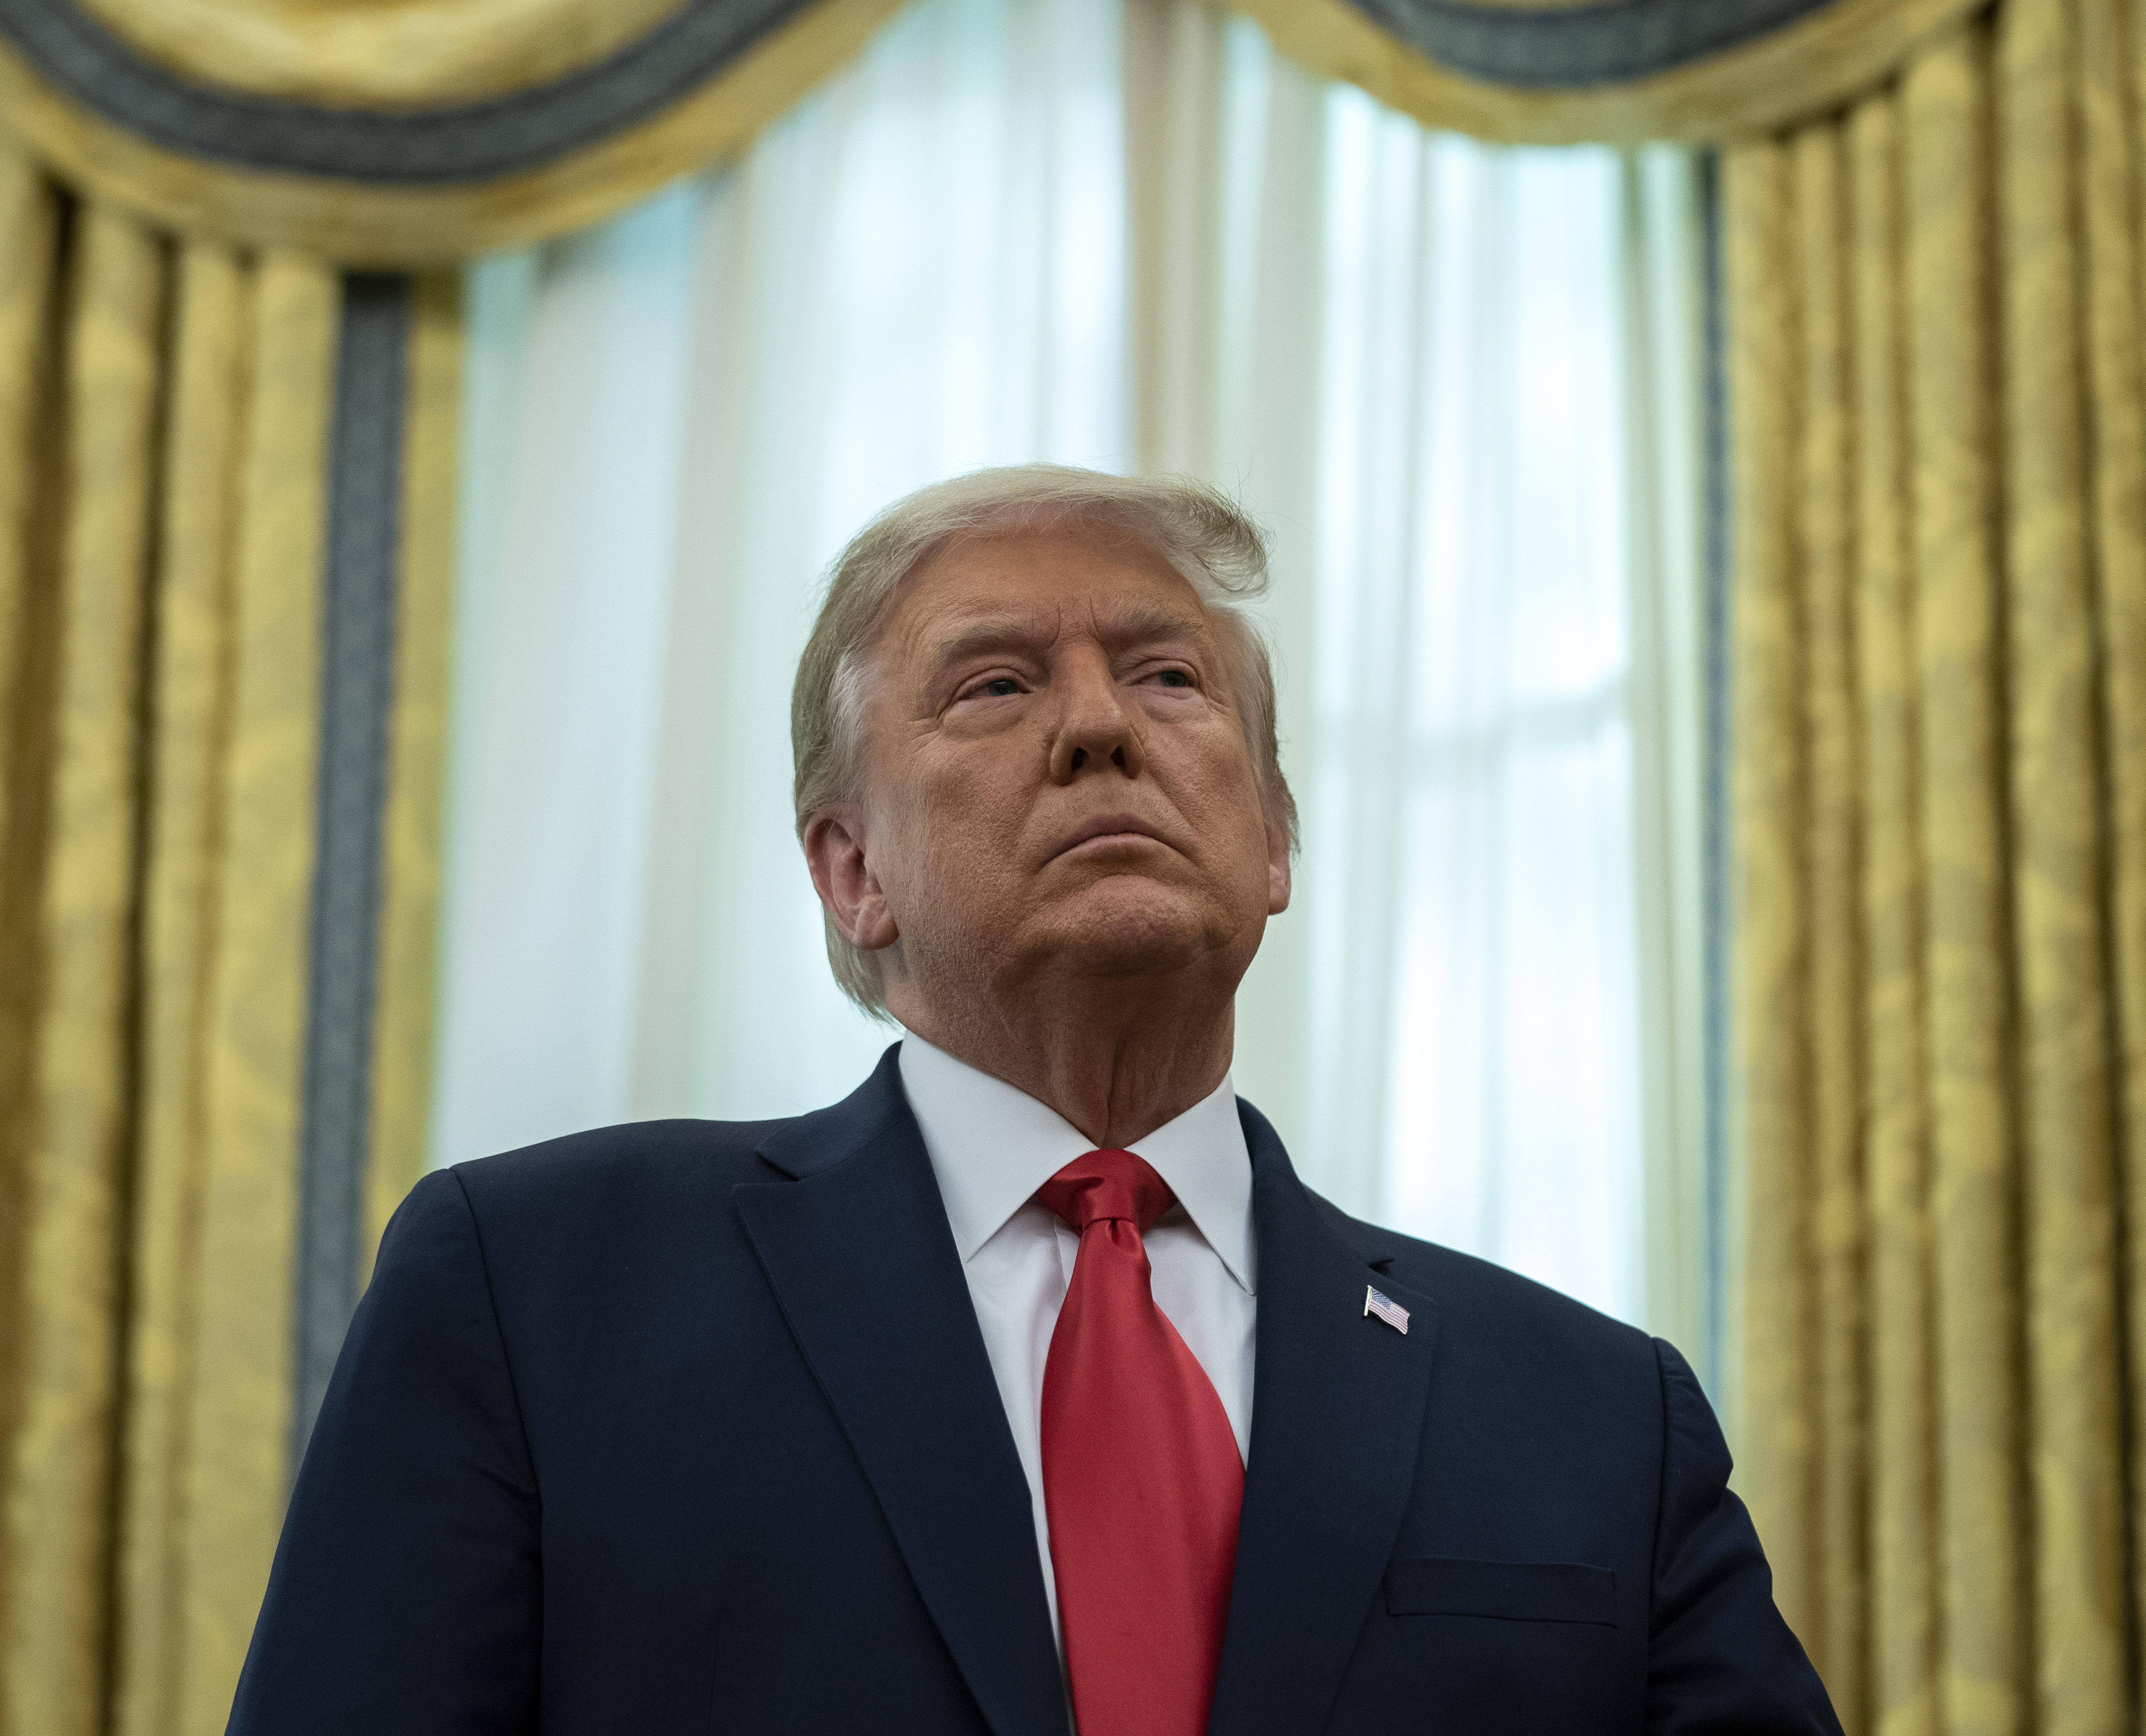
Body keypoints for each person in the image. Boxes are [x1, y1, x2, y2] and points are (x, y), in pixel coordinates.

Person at [228, 466, 1838, 1735]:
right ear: (849, 869)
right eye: (994, 687)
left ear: (1273, 845)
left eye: (1167, 676)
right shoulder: (535, 1290)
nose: (1095, 726)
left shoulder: (1591, 1414)